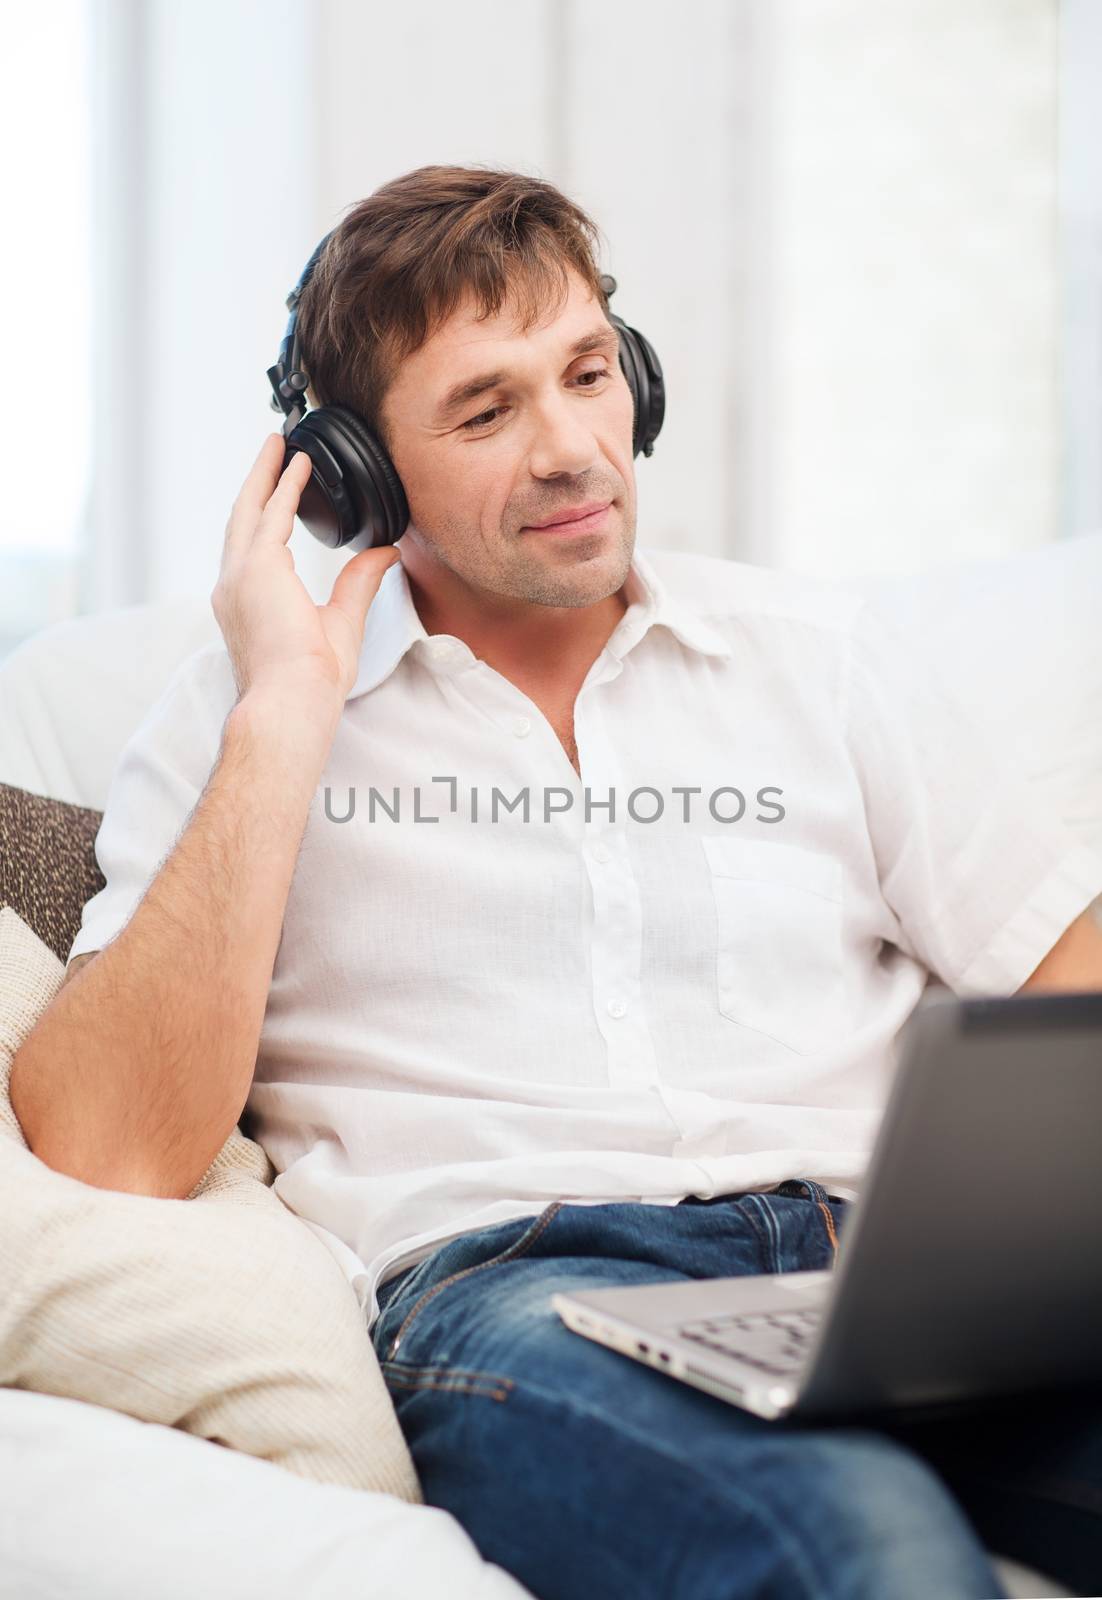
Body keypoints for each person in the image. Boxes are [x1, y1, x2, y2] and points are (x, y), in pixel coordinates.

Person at [12, 164, 1102, 1600]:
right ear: (355, 478)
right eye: (485, 409)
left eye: (588, 374)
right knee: (859, 1542)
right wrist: (281, 717)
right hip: (523, 1302)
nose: (571, 447)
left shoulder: (818, 657)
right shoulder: (240, 714)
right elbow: (107, 1146)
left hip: (872, 1273)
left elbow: (1063, 988)